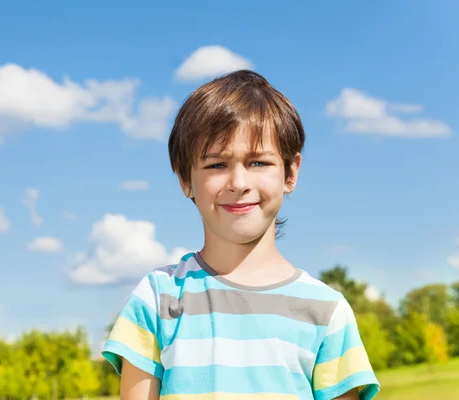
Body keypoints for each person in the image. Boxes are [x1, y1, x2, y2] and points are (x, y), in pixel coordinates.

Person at [101, 70, 380, 399]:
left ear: (291, 172)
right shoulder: (157, 299)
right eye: (216, 165)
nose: (238, 182)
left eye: (259, 162)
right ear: (185, 179)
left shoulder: (327, 312)